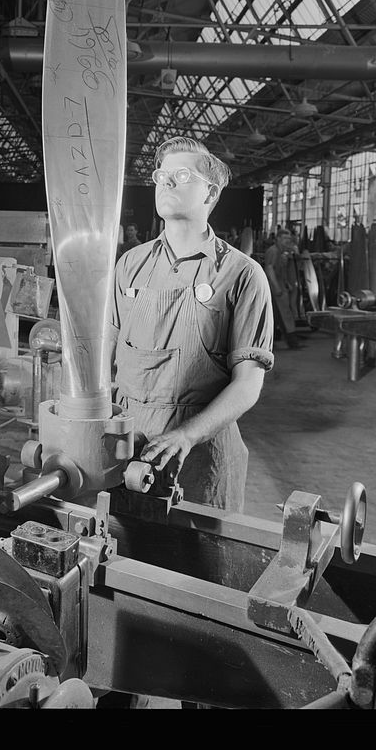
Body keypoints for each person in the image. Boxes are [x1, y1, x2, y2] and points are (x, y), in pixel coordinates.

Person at [110, 135, 274, 512]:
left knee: (196, 564)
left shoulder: (242, 275)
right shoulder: (130, 265)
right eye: (161, 175)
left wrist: (186, 436)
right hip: (127, 445)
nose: (165, 182)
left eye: (181, 175)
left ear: (210, 194)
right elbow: (105, 355)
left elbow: (248, 383)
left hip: (201, 455)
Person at [262, 228, 304, 350]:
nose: (287, 241)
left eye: (289, 239)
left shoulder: (282, 252)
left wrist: (286, 283)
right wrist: (277, 288)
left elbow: (282, 270)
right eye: (285, 238)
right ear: (278, 239)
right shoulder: (273, 251)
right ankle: (292, 342)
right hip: (273, 288)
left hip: (279, 286)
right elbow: (269, 270)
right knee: (286, 315)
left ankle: (270, 342)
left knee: (274, 316)